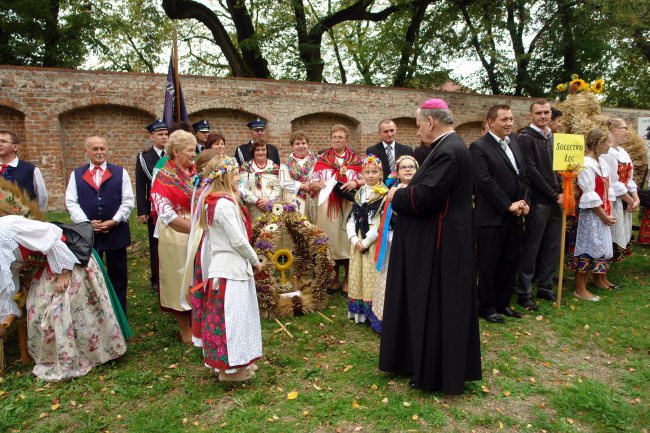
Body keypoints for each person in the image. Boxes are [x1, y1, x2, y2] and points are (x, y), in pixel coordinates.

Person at [379, 98, 481, 394]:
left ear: (430, 122)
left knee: (440, 305)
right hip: (443, 237)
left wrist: (396, 195)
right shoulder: (449, 147)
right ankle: (420, 361)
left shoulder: (449, 150)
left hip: (444, 243)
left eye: (417, 122)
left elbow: (423, 199)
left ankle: (436, 370)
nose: (417, 128)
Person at [0, 212, 128, 382]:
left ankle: (91, 354)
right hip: (48, 267)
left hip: (69, 258)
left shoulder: (7, 230)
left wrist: (64, 270)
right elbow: (7, 282)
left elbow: (52, 233)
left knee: (62, 309)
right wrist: (3, 318)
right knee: (36, 310)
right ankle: (54, 357)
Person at [190, 156, 263, 382]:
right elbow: (238, 240)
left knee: (234, 317)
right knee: (233, 320)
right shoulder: (222, 204)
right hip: (230, 270)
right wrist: (255, 260)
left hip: (226, 268)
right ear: (223, 177)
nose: (237, 178)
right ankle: (231, 370)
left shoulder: (215, 201)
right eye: (234, 175)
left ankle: (240, 364)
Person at [470, 105, 530, 323]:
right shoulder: (478, 147)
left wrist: (524, 203)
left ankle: (503, 303)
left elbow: (523, 175)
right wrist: (507, 205)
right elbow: (485, 182)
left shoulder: (514, 142)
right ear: (490, 121)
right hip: (491, 218)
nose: (509, 123)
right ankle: (486, 307)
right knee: (489, 264)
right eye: (504, 119)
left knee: (510, 261)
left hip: (515, 216)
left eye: (511, 119)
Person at [65, 136, 134, 313]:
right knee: (90, 274)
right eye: (95, 149)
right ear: (86, 151)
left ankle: (119, 313)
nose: (99, 152)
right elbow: (71, 201)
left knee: (118, 274)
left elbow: (127, 201)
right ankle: (95, 313)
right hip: (89, 235)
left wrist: (115, 220)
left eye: (102, 148)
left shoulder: (120, 172)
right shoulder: (77, 174)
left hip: (115, 234)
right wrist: (86, 223)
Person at [150, 130, 197, 344]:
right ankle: (184, 330)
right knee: (179, 278)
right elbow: (165, 213)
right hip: (176, 233)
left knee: (197, 277)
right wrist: (194, 229)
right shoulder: (163, 177)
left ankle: (198, 322)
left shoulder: (195, 173)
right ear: (176, 152)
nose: (194, 154)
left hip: (196, 229)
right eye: (190, 150)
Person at [516, 99, 563, 311]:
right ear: (531, 116)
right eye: (539, 113)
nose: (543, 116)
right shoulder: (526, 138)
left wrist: (564, 189)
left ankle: (546, 287)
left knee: (553, 246)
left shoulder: (553, 138)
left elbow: (560, 169)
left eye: (546, 113)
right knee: (532, 247)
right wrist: (554, 195)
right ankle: (524, 292)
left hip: (557, 200)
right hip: (539, 201)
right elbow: (531, 172)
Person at [310, 125, 363, 293]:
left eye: (341, 137)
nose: (337, 140)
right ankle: (333, 279)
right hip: (328, 208)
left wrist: (355, 182)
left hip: (349, 205)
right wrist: (316, 184)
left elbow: (368, 178)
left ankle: (348, 279)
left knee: (348, 241)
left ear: (346, 140)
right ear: (330, 139)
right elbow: (312, 181)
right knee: (331, 241)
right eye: (334, 137)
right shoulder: (322, 158)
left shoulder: (355, 159)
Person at [567, 127, 616, 301]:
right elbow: (589, 194)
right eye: (608, 142)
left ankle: (590, 284)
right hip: (590, 216)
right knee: (586, 249)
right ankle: (580, 289)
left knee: (596, 248)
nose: (610, 146)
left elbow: (606, 191)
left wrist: (607, 213)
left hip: (601, 214)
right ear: (599, 143)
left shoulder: (601, 163)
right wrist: (603, 215)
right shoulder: (586, 164)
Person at [371, 155, 418, 334]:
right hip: (394, 241)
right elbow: (386, 218)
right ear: (397, 173)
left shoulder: (420, 190)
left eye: (411, 167)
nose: (407, 170)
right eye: (403, 167)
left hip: (415, 242)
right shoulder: (391, 191)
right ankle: (387, 319)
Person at [346, 155, 388, 328]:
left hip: (372, 241)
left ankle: (373, 313)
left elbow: (381, 223)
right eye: (367, 172)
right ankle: (359, 312)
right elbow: (352, 218)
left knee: (371, 275)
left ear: (380, 173)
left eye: (374, 172)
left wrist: (367, 241)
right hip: (358, 240)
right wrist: (354, 238)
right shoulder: (359, 193)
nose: (370, 175)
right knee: (358, 273)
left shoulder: (385, 195)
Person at [136, 119, 168, 293]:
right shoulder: (144, 157)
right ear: (152, 136)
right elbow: (141, 185)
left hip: (171, 205)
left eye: (166, 134)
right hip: (154, 208)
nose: (164, 137)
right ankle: (156, 279)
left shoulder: (172, 155)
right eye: (160, 134)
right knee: (155, 242)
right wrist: (142, 210)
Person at [602, 118, 640, 265]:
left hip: (625, 198)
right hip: (614, 199)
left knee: (621, 228)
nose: (627, 131)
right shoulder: (608, 152)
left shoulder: (622, 152)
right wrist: (630, 200)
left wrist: (635, 198)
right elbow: (613, 182)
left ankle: (606, 271)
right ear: (615, 130)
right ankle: (602, 270)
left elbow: (629, 178)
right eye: (624, 128)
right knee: (612, 232)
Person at [0, 130, 48, 210]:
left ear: (15, 147)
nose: (0, 144)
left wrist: (35, 215)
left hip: (24, 219)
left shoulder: (30, 169)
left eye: (3, 141)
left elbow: (42, 196)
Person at [238, 140, 281, 223]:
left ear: (267, 151)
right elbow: (242, 187)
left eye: (263, 149)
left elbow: (278, 187)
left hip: (272, 208)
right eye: (257, 150)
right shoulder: (245, 167)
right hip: (253, 208)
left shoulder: (275, 167)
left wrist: (269, 202)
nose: (261, 152)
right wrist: (257, 201)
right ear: (253, 152)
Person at [279, 131, 317, 219]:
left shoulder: (316, 161)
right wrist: (302, 186)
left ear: (307, 144)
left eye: (303, 143)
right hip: (293, 201)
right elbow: (283, 182)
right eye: (297, 144)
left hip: (313, 199)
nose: (301, 146)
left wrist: (312, 184)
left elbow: (321, 177)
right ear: (292, 146)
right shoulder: (284, 163)